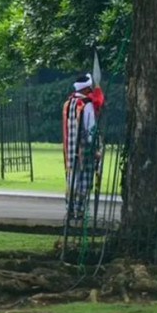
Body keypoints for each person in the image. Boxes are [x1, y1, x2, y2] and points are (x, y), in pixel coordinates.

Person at [63, 73, 105, 220]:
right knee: (84, 181)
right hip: (85, 149)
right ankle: (80, 211)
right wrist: (96, 149)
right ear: (86, 89)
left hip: (70, 149)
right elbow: (90, 129)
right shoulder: (86, 105)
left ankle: (70, 210)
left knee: (72, 179)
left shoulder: (68, 104)